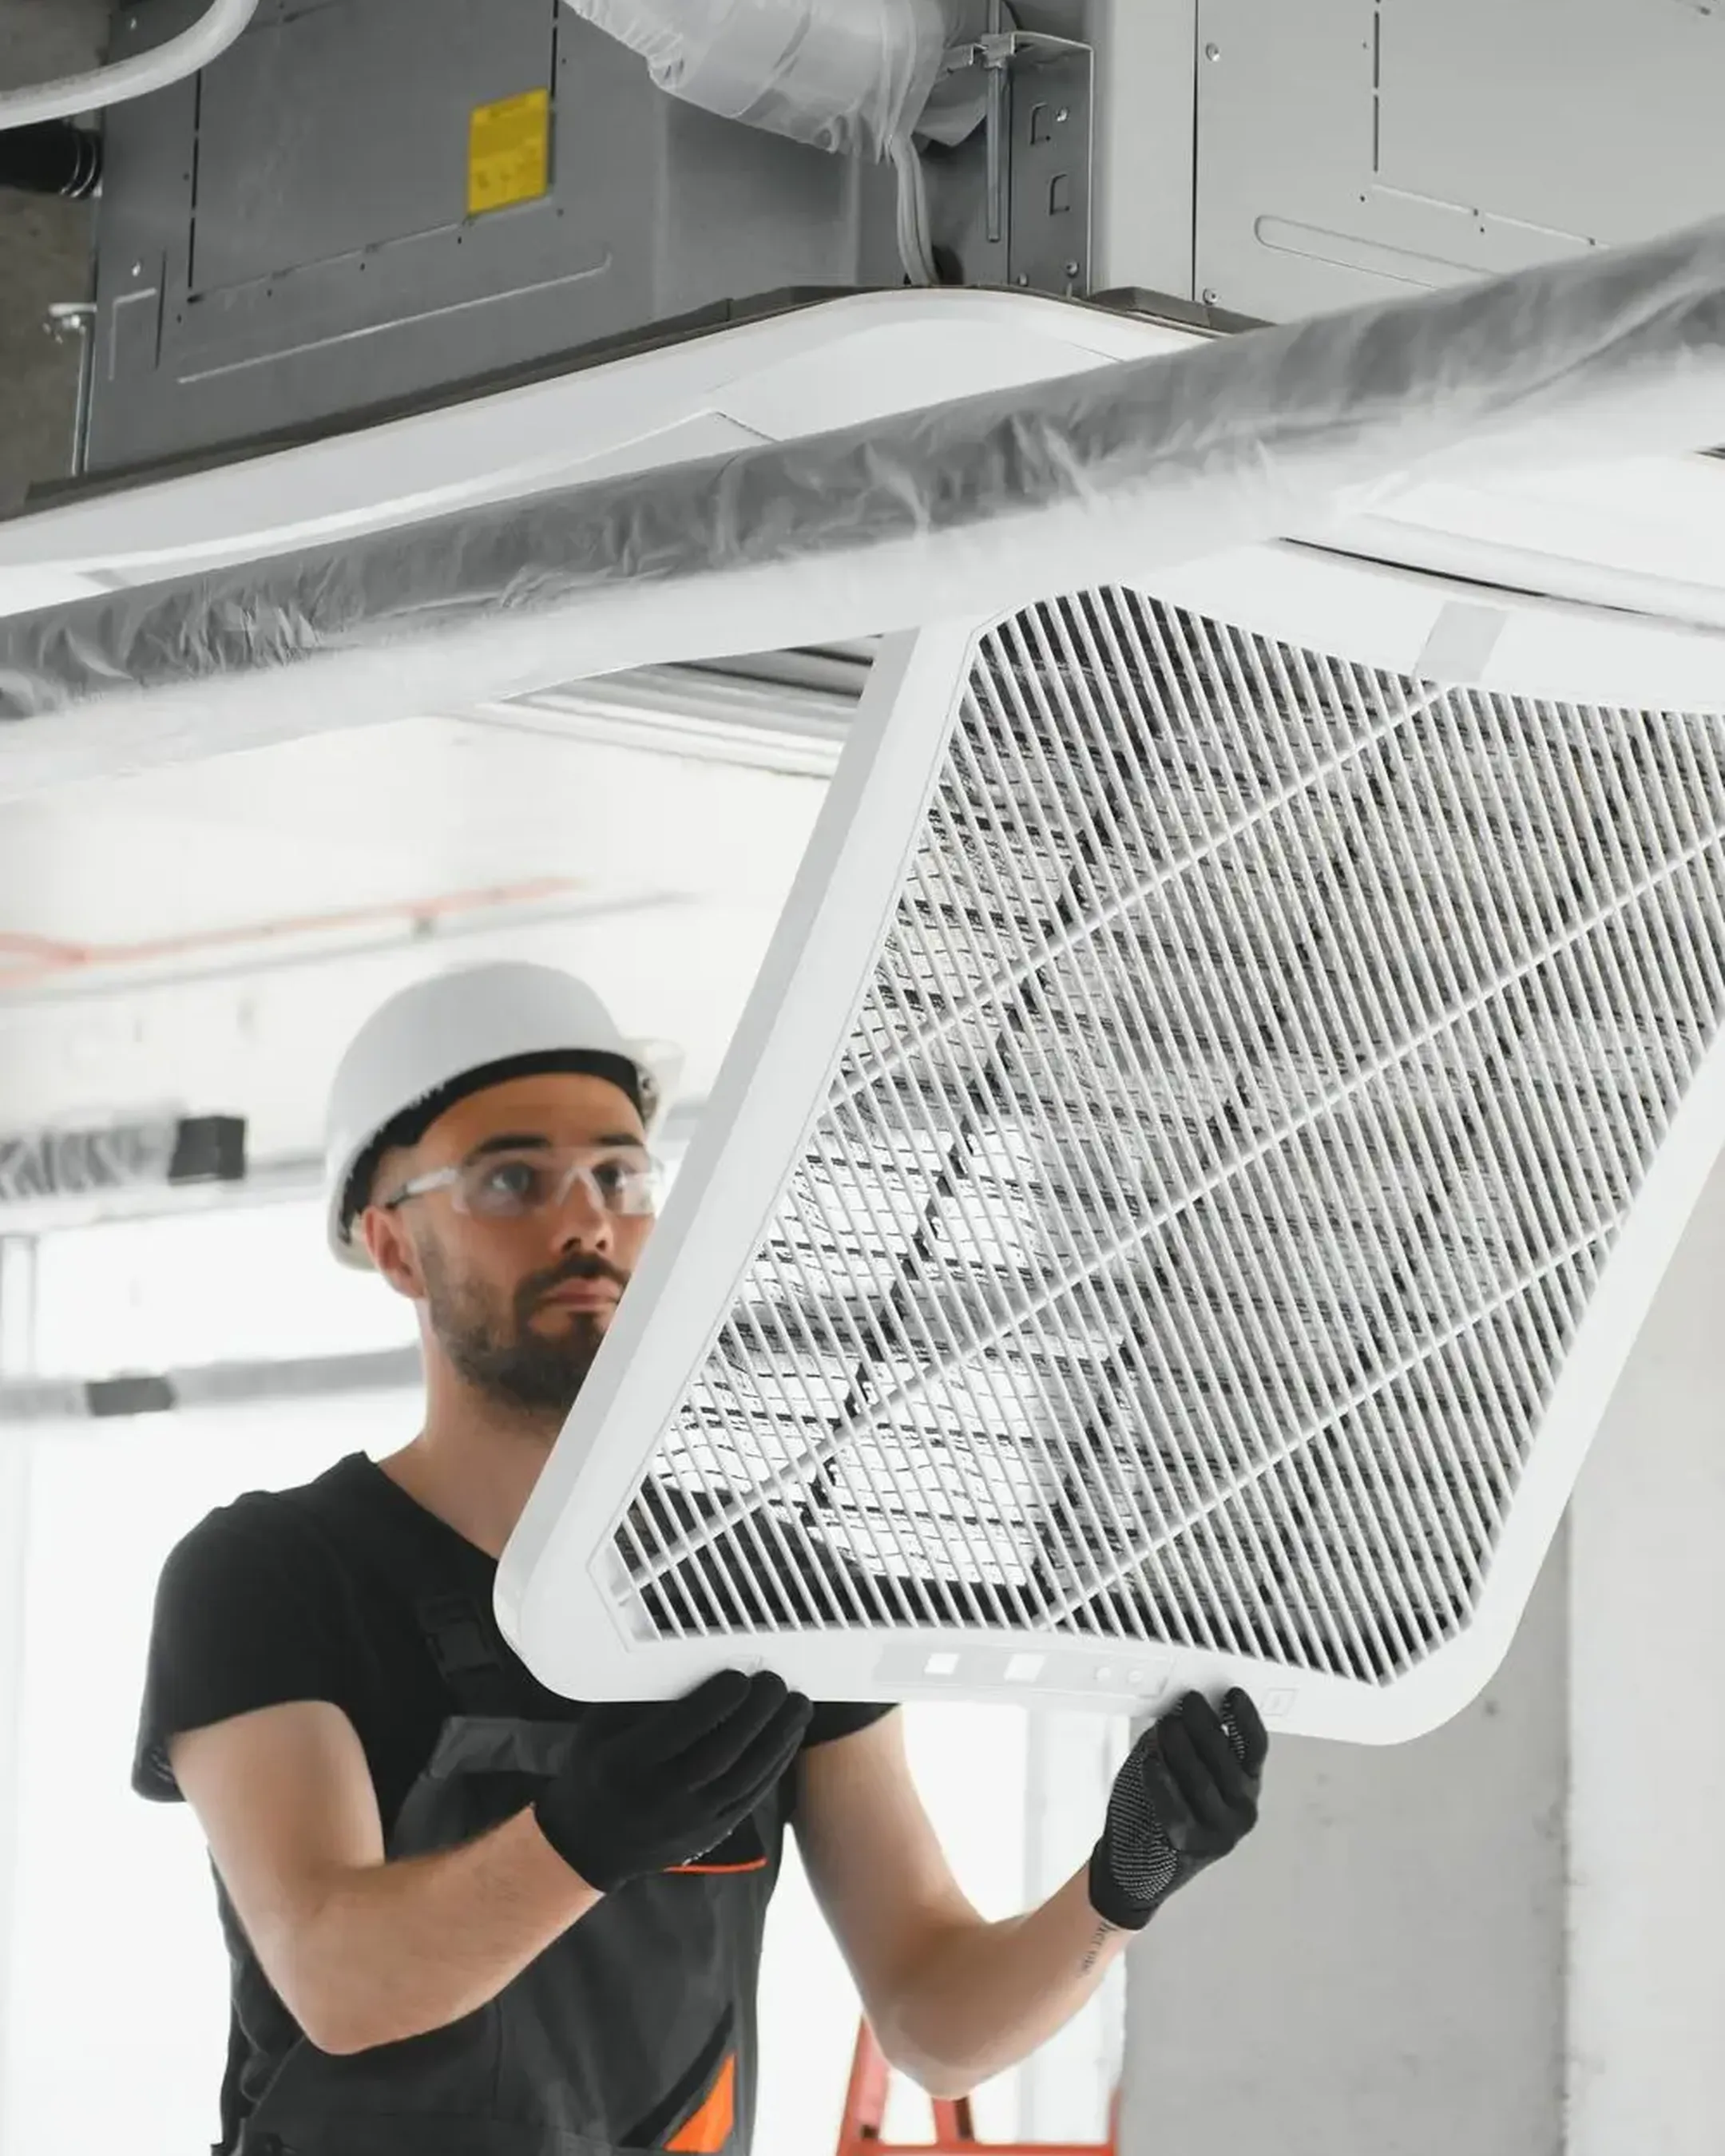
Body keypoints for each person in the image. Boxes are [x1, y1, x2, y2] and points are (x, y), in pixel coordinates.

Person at [134, 960, 1269, 2156]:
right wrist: (580, 1838)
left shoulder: (760, 1588)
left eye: (620, 1176)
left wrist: (1122, 1883)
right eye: (512, 1179)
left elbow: (934, 2018)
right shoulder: (269, 1578)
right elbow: (338, 1981)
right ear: (395, 1247)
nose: (587, 1221)